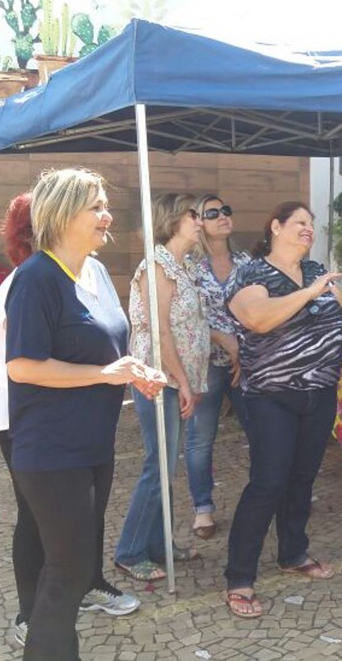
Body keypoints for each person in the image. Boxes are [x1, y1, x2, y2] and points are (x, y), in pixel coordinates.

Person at [5, 168, 166, 660]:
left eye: (104, 205)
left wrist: (133, 370)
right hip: (52, 451)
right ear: (61, 214)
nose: (106, 215)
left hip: (93, 444)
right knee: (68, 569)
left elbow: (102, 352)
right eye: (95, 207)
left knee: (73, 568)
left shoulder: (90, 274)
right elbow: (21, 366)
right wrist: (103, 374)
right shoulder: (36, 278)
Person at [224, 202, 342, 618]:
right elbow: (257, 318)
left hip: (319, 393)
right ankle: (239, 576)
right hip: (271, 396)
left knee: (301, 478)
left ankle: (293, 553)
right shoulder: (252, 273)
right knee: (268, 483)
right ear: (275, 227)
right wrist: (308, 294)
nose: (308, 229)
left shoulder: (317, 272)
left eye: (311, 224)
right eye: (299, 222)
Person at [115, 193, 210, 582]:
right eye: (193, 214)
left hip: (174, 380)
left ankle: (159, 544)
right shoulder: (157, 266)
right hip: (159, 379)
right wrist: (183, 381)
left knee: (167, 465)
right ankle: (130, 551)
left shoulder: (182, 267)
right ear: (172, 219)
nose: (200, 221)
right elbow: (160, 330)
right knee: (160, 465)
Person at [186, 194, 250, 540]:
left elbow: (259, 307)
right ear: (199, 221)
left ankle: (266, 497)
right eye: (213, 213)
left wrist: (243, 349)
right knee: (201, 437)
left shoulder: (245, 262)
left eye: (226, 210)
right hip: (206, 362)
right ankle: (203, 508)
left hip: (246, 361)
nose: (223, 216)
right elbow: (185, 317)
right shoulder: (189, 266)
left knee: (261, 430)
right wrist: (221, 338)